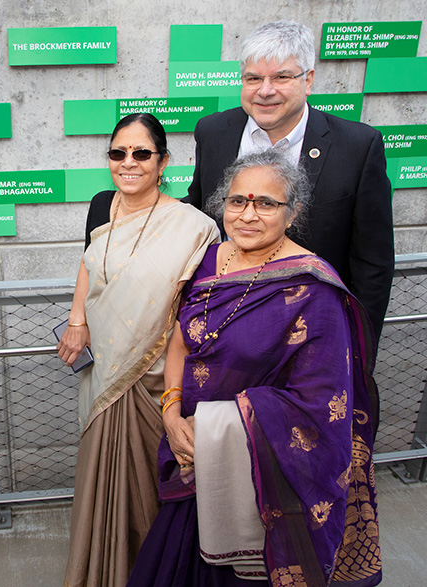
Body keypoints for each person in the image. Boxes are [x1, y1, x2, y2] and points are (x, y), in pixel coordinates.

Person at [128, 149, 381, 587]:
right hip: (193, 455)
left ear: (293, 211)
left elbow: (322, 408)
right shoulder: (209, 261)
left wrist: (218, 424)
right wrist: (170, 411)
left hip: (261, 477)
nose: (248, 214)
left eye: (266, 203)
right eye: (237, 200)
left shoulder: (312, 290)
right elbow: (181, 341)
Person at [57, 113, 220, 587]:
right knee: (100, 474)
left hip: (155, 379)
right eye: (118, 153)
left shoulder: (193, 227)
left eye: (141, 153)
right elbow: (89, 261)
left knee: (150, 485)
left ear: (163, 161)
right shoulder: (100, 204)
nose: (128, 163)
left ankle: (149, 572)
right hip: (103, 370)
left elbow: (194, 312)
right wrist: (76, 320)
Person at [184, 20, 393, 340]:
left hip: (312, 334)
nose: (265, 90)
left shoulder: (357, 147)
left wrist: (358, 349)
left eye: (281, 77)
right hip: (220, 327)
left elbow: (372, 262)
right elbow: (198, 215)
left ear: (308, 80)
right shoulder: (214, 132)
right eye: (253, 78)